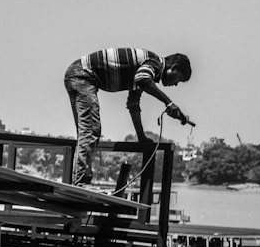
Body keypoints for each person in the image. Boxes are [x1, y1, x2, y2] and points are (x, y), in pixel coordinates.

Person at [64, 48, 192, 186]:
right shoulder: (154, 63)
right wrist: (169, 102)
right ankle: (80, 182)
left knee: (88, 131)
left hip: (79, 75)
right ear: (174, 67)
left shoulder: (148, 71)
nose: (176, 84)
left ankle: (79, 180)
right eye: (178, 78)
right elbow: (142, 79)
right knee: (90, 130)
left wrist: (141, 137)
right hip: (82, 74)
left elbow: (133, 104)